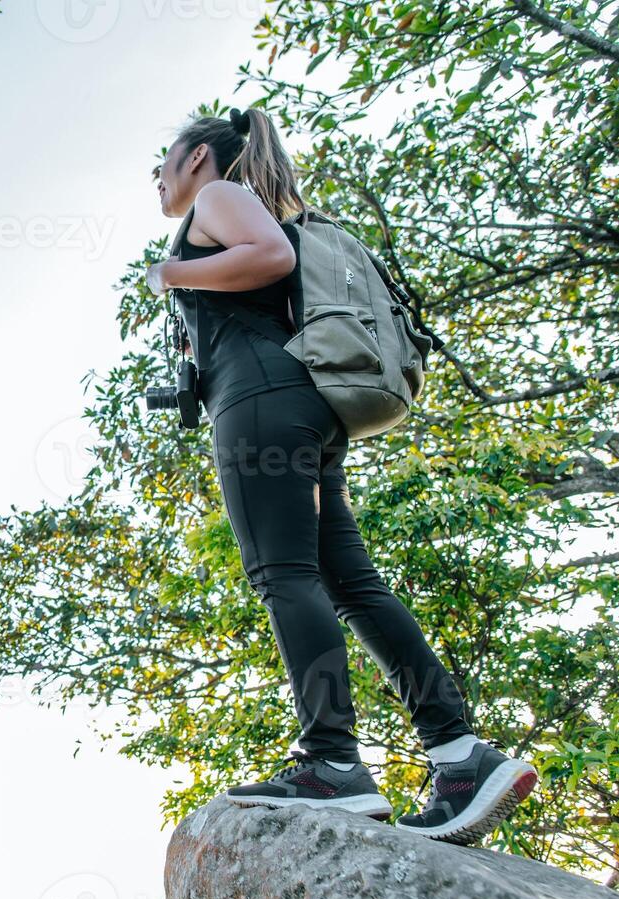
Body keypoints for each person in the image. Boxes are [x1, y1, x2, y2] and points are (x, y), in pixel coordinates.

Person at [144, 106, 537, 846]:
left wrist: (168, 271)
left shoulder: (216, 197)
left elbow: (269, 256)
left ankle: (330, 762)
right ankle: (458, 755)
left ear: (197, 157)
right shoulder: (237, 200)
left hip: (261, 404)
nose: (155, 177)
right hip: (304, 405)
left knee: (282, 575)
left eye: (161, 160)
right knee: (349, 584)